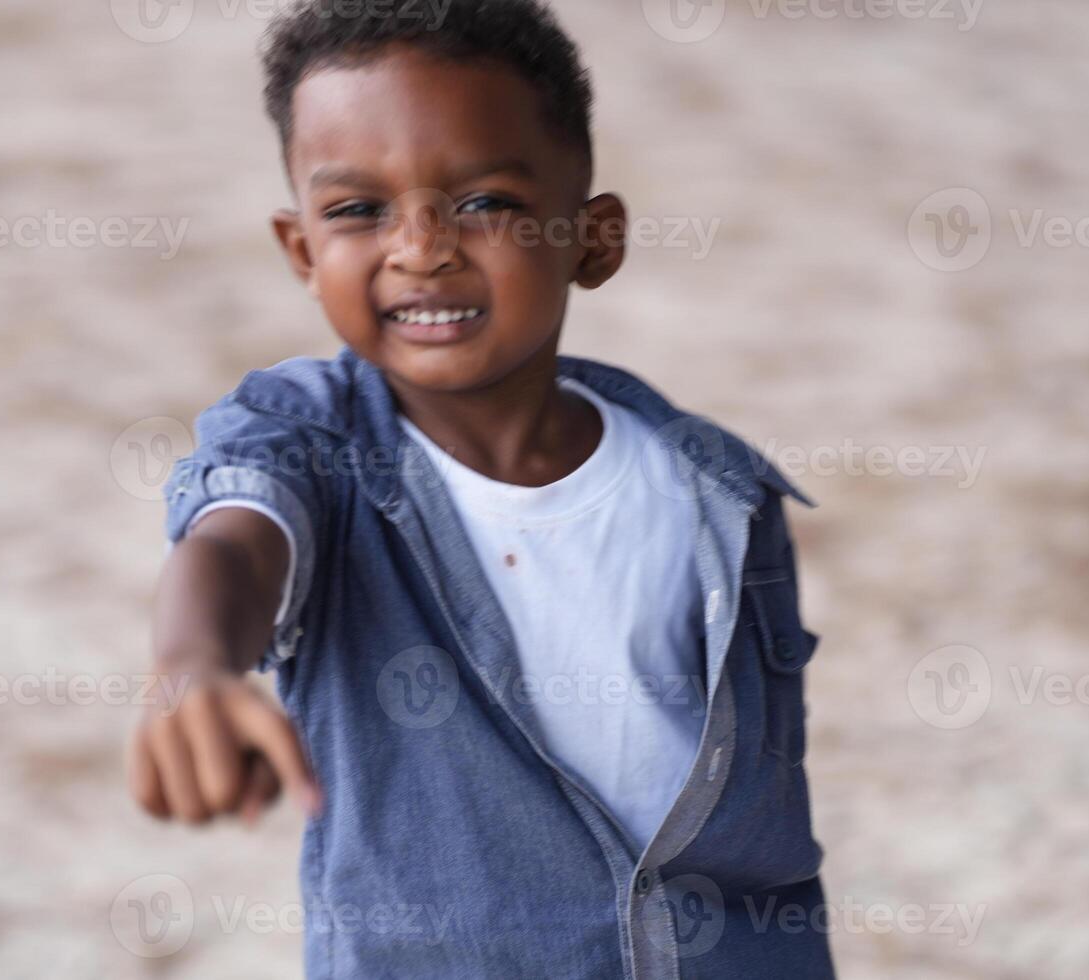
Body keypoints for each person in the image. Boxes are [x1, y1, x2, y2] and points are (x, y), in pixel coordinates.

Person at [127, 1, 834, 975]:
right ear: (301, 251)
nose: (422, 246)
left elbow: (764, 844)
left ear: (593, 239)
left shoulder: (716, 493)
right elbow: (233, 535)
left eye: (484, 201)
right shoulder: (311, 443)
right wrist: (193, 661)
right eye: (356, 210)